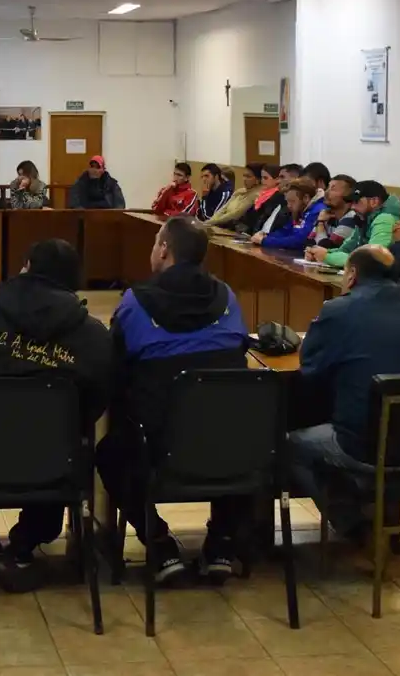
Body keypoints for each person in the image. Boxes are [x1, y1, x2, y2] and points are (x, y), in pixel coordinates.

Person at [0, 239, 115, 592]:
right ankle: (26, 543)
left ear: (26, 267)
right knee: (71, 439)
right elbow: (97, 400)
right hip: (54, 465)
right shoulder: (92, 334)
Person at [287, 246, 400, 585]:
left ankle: (360, 531)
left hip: (366, 446)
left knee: (294, 446)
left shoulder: (338, 310)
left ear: (352, 274)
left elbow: (309, 371)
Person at [96, 218, 251, 583]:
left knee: (110, 454)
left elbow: (114, 366)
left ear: (164, 249)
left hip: (159, 447)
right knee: (253, 446)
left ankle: (160, 544)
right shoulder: (227, 296)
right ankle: (222, 545)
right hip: (227, 446)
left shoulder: (136, 302)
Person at [309, 180, 400, 267]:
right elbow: (346, 249)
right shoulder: (363, 218)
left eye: (356, 202)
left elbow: (371, 259)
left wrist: (327, 257)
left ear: (374, 202)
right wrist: (321, 253)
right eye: (351, 203)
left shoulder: (385, 219)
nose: (352, 207)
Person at [251, 178, 321, 250]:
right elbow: (286, 231)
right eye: (287, 201)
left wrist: (265, 241)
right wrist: (265, 236)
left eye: (292, 201)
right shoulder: (300, 210)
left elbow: (299, 241)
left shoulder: (316, 210)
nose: (288, 205)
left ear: (306, 198)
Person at [305, 175, 359, 251]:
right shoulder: (327, 214)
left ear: (349, 195)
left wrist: (320, 223)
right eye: (328, 188)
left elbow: (326, 248)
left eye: (333, 189)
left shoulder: (352, 217)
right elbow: (308, 243)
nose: (326, 192)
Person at [233, 164, 286, 234]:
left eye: (265, 178)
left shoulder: (277, 197)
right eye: (262, 178)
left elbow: (260, 221)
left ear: (276, 179)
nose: (262, 181)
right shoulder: (262, 194)